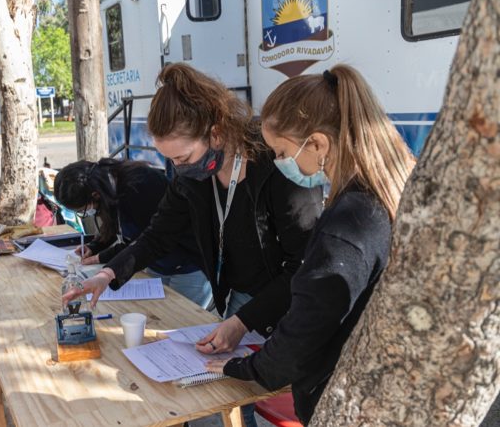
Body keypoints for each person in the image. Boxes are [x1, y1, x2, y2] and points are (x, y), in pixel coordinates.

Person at [63, 62, 322, 420]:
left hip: (293, 301)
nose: (178, 169)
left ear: (215, 134)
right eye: (171, 161)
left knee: (296, 398)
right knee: (230, 392)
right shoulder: (193, 175)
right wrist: (108, 275)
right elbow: (157, 234)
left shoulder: (273, 161)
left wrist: (242, 321)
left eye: (183, 158)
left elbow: (303, 265)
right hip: (243, 297)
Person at [206, 65, 415, 424]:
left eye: (282, 152)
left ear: (318, 144)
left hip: (343, 405)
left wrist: (245, 367)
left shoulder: (348, 224)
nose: (278, 162)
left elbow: (304, 331)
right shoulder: (383, 194)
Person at [54, 159, 211, 307]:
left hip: (188, 264)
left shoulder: (141, 188)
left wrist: (104, 265)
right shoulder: (108, 186)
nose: (87, 213)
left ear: (95, 195)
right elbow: (117, 225)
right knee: (158, 315)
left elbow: (146, 241)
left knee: (183, 322)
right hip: (157, 263)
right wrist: (95, 246)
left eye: (82, 210)